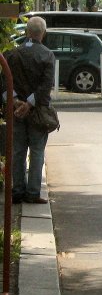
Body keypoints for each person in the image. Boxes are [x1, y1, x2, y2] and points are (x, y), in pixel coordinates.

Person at [5, 16, 56, 204]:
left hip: (15, 111)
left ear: (27, 32)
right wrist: (30, 103)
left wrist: (16, 100)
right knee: (37, 151)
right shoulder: (47, 55)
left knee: (17, 151)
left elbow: (3, 82)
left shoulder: (11, 54)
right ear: (42, 33)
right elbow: (46, 85)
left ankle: (17, 190)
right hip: (38, 112)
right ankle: (33, 192)